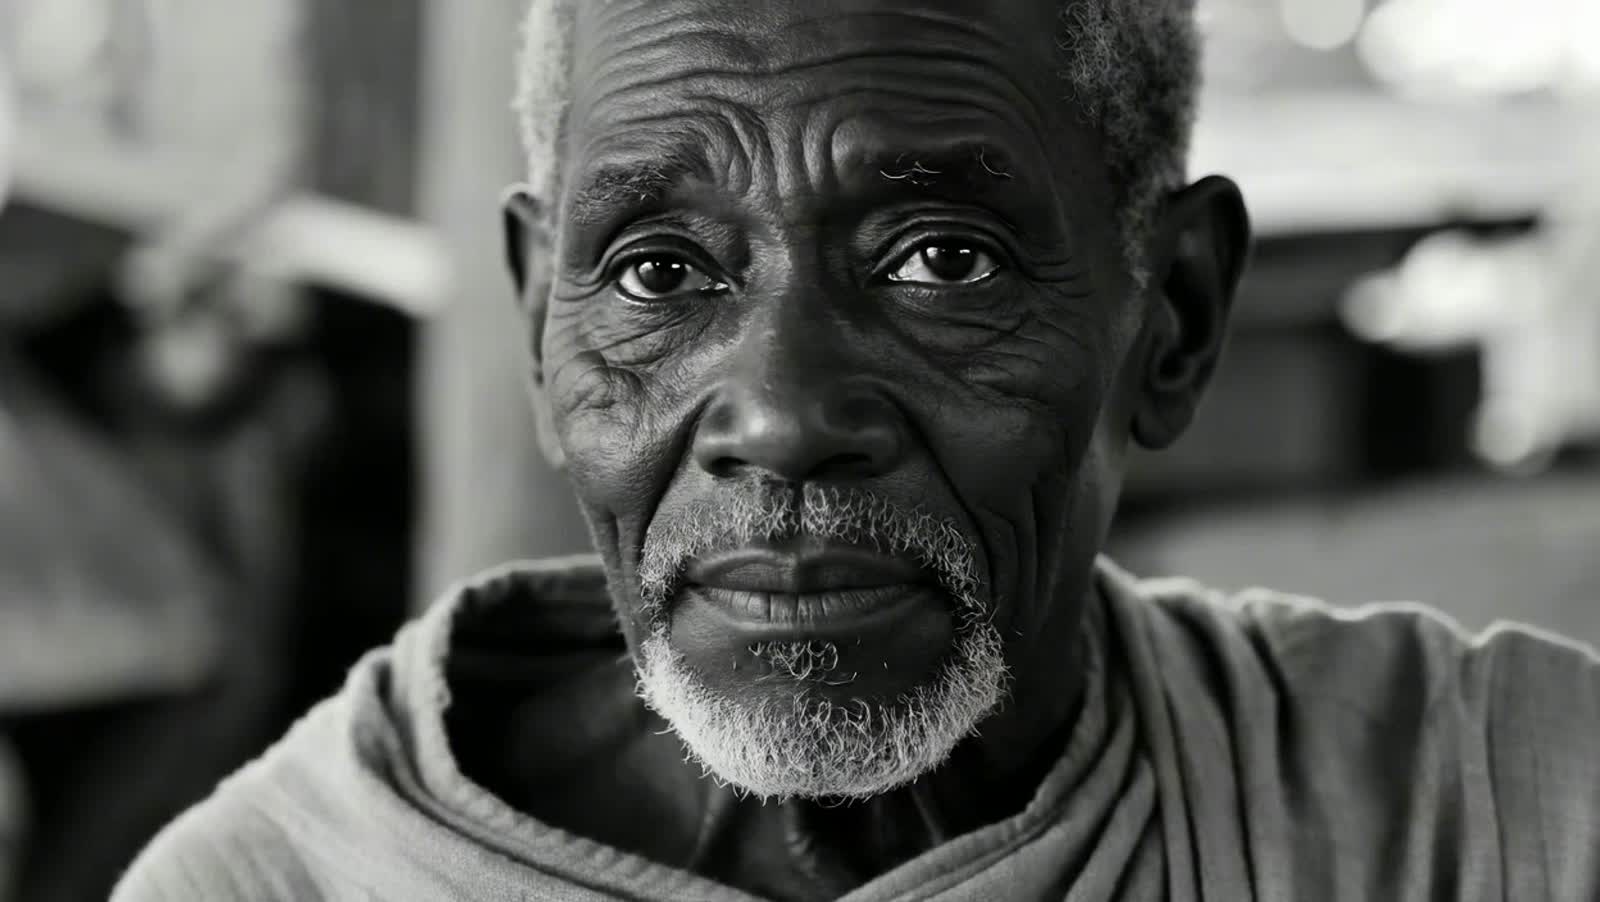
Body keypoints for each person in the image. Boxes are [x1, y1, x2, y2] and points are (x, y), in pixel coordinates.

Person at [115, 0, 1600, 899]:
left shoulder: (1478, 806)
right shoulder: (275, 880)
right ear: (535, 319)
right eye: (654, 272)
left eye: (940, 260)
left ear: (1175, 318)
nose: (781, 413)